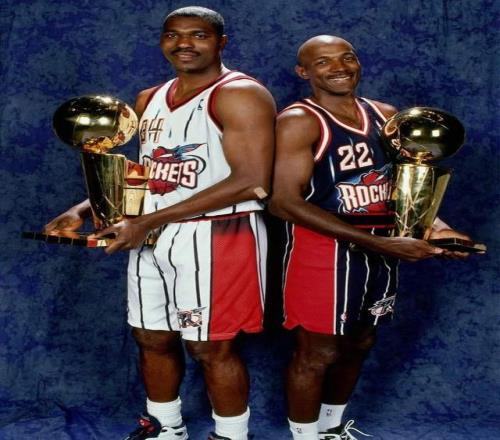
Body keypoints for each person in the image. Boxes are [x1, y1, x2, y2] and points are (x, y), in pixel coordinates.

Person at [45, 6, 275, 440]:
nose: (184, 43)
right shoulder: (148, 98)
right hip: (152, 233)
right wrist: (82, 209)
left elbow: (253, 180)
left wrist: (148, 220)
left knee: (211, 346)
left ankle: (230, 435)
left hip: (218, 233)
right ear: (162, 41)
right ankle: (165, 427)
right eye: (173, 35)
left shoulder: (240, 94)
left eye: (198, 35)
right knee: (151, 336)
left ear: (221, 43)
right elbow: (145, 173)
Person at [268, 35, 469, 440]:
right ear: (303, 72)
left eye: (347, 57)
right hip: (323, 251)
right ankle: (304, 437)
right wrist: (380, 244)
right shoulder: (301, 120)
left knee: (360, 341)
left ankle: (331, 429)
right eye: (323, 62)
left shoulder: (386, 115)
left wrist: (437, 227)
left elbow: (404, 185)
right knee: (318, 352)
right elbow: (283, 203)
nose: (338, 67)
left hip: (381, 248)